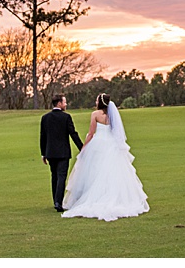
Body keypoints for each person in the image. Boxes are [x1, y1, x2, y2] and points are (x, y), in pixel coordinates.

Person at [61, 93, 149, 221]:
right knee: (114, 171)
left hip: (99, 144)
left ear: (100, 102)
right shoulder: (112, 115)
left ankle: (95, 197)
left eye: (96, 100)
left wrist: (84, 148)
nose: (95, 102)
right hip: (111, 144)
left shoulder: (95, 114)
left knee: (95, 171)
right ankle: (117, 197)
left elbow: (91, 133)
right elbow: (116, 131)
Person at [40, 93, 84, 212]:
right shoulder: (66, 117)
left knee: (54, 176)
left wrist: (43, 153)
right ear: (59, 103)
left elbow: (42, 137)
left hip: (50, 152)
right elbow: (73, 134)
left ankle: (56, 200)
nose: (66, 104)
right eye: (64, 102)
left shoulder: (45, 118)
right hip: (63, 152)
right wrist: (82, 148)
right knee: (61, 177)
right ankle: (58, 202)